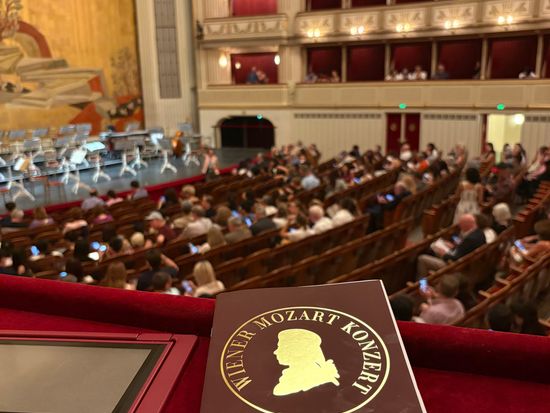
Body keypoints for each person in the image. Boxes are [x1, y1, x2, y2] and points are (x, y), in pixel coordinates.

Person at [417, 214, 486, 278]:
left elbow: (456, 259)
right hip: (461, 260)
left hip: (455, 267)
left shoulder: (470, 239)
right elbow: (465, 249)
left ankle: (422, 285)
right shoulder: (479, 233)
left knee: (422, 258)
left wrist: (444, 254)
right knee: (432, 249)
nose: (459, 226)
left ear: (467, 224)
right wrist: (454, 246)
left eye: (461, 224)